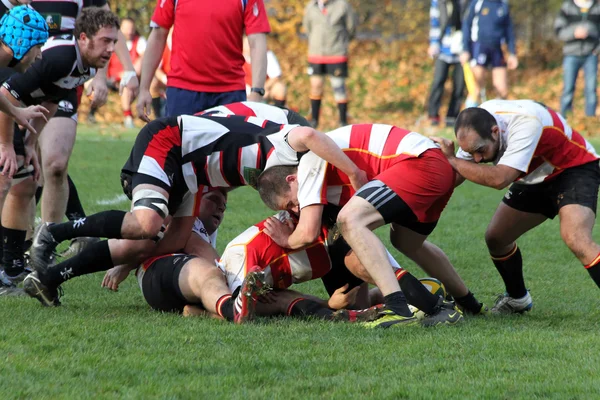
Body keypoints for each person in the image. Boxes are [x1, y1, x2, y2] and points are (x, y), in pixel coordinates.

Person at [24, 114, 367, 306]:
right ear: (291, 178)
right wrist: (353, 171)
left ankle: (49, 278)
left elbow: (177, 242)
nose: (298, 207)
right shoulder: (284, 148)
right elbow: (309, 133)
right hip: (169, 141)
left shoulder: (258, 166)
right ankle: (55, 231)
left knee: (155, 242)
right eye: (294, 201)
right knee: (146, 222)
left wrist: (128, 266)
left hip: (192, 174)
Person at [255, 123, 489, 328]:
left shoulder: (308, 164)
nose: (296, 209)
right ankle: (468, 304)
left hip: (419, 162)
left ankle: (398, 307)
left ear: (291, 179)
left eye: (290, 203)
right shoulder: (329, 183)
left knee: (350, 219)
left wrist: (285, 240)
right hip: (430, 167)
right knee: (405, 242)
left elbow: (308, 233)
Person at [432, 99, 600, 313]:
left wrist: (453, 160)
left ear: (495, 131)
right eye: (470, 152)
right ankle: (518, 299)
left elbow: (499, 179)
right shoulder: (476, 128)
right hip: (534, 175)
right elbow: (456, 176)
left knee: (576, 238)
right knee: (497, 237)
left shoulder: (525, 122)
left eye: (480, 151)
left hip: (573, 168)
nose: (477, 158)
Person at [0, 7, 119, 296]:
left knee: (26, 181)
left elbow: (51, 99)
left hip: (18, 113)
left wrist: (30, 145)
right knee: (6, 179)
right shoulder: (58, 57)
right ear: (84, 38)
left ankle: (12, 267)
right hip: (9, 112)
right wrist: (5, 145)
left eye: (114, 42)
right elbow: (6, 94)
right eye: (106, 41)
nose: (111, 49)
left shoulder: (88, 65)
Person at [22, 0, 139, 233]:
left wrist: (110, 74)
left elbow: (107, 28)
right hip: (22, 77)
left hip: (63, 82)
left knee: (54, 163)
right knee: (22, 168)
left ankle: (46, 241)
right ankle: (18, 247)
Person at [136, 0, 270, 120]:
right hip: (182, 92)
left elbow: (257, 42)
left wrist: (257, 93)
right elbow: (158, 35)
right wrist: (144, 89)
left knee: (229, 148)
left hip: (230, 93)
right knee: (181, 147)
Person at [303, 0, 357, 128]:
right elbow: (307, 28)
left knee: (339, 87)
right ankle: (314, 120)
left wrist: (341, 42)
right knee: (316, 86)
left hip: (336, 53)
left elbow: (351, 28)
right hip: (316, 53)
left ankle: (343, 121)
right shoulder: (311, 7)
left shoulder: (342, 6)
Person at [460, 0, 518, 107]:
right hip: (479, 47)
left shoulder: (503, 5)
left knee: (502, 90)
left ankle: (498, 119)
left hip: (497, 49)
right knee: (476, 88)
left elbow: (509, 31)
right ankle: (468, 121)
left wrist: (512, 53)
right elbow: (466, 25)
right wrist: (465, 49)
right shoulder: (477, 3)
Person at [91, 17, 146, 127]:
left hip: (128, 79)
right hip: (111, 78)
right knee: (90, 84)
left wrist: (130, 73)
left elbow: (144, 58)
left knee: (126, 85)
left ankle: (128, 117)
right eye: (126, 28)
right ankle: (90, 114)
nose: (129, 31)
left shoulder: (139, 42)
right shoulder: (110, 42)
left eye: (131, 28)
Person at [555, 0, 600, 118]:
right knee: (568, 89)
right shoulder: (567, 6)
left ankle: (590, 120)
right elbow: (558, 30)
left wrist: (597, 50)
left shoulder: (597, 7)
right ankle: (564, 118)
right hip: (571, 53)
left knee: (591, 89)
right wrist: (573, 33)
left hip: (591, 54)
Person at [427, 0, 467, 127]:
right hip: (443, 48)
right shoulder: (438, 2)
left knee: (459, 85)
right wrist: (434, 43)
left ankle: (452, 116)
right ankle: (433, 115)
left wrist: (468, 49)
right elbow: (434, 22)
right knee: (438, 81)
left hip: (462, 50)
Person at [242, 36, 287, 107]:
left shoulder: (266, 54)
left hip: (265, 89)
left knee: (279, 88)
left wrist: (261, 90)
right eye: (246, 44)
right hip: (245, 90)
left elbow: (275, 76)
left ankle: (279, 112)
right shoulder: (237, 56)